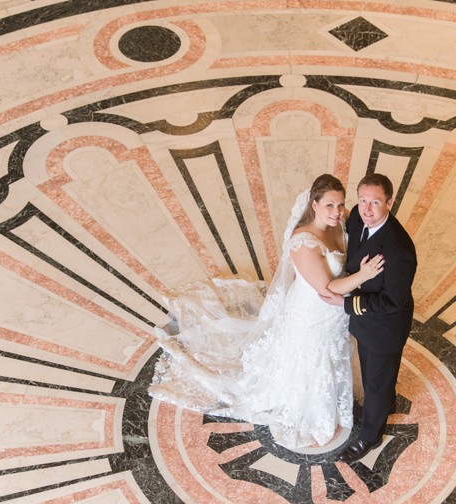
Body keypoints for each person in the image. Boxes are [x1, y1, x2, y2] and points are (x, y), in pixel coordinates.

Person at [149, 174, 384, 448]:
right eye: (330, 205)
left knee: (332, 354)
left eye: (340, 205)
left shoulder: (339, 224)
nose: (337, 212)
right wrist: (364, 275)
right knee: (312, 360)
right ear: (314, 205)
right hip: (311, 314)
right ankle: (309, 412)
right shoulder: (303, 242)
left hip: (333, 315)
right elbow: (327, 287)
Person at [322, 173, 417, 462]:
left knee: (376, 382)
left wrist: (345, 303)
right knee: (374, 373)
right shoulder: (357, 221)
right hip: (365, 322)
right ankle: (384, 399)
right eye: (363, 200)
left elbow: (392, 301)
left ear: (390, 202)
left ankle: (370, 435)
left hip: (385, 327)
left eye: (375, 202)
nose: (367, 209)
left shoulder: (399, 250)